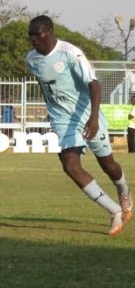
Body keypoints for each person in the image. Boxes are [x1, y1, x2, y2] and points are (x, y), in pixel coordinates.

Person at [26, 15, 133, 236]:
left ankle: (123, 190)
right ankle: (114, 211)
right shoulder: (32, 59)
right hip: (63, 119)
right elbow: (44, 85)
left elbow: (94, 84)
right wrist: (52, 111)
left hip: (86, 114)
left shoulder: (70, 53)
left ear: (50, 31)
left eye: (38, 34)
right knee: (69, 164)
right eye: (30, 35)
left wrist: (93, 119)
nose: (33, 39)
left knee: (108, 164)